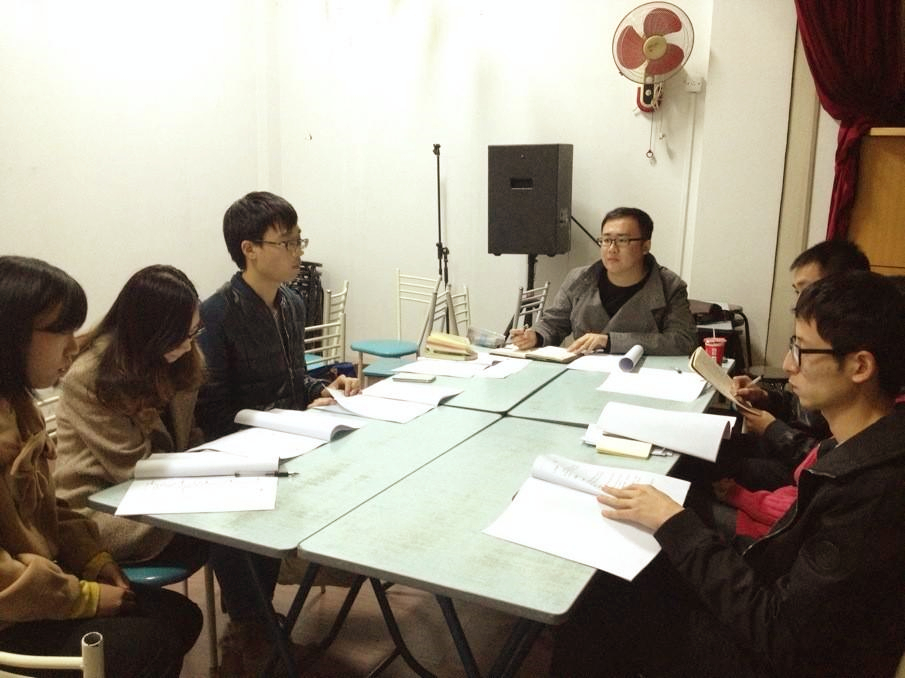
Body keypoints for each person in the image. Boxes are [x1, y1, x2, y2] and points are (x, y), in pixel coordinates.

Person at [551, 270, 905, 678]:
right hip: (768, 599)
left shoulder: (874, 492)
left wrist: (677, 524)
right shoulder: (854, 445)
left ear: (860, 366)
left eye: (802, 350)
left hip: (765, 655)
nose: (788, 364)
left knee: (601, 602)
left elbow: (781, 635)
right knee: (631, 563)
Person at [0, 256, 201, 678]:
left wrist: (94, 559)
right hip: (13, 617)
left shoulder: (19, 408)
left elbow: (50, 508)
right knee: (151, 643)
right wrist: (85, 598)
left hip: (44, 585)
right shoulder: (88, 378)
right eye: (62, 332)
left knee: (181, 617)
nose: (74, 347)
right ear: (11, 334)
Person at [195, 190, 360, 673]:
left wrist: (325, 387)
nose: (297, 252)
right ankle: (249, 625)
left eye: (298, 240)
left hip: (292, 440)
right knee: (245, 514)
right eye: (286, 242)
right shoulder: (216, 315)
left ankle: (260, 617)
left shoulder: (290, 302)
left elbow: (293, 377)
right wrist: (282, 418)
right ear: (249, 249)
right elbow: (214, 412)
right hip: (240, 454)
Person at [53, 265, 208, 569]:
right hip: (104, 509)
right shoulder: (91, 377)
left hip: (164, 493)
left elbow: (190, 437)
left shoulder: (180, 357)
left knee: (241, 520)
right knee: (227, 526)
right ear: (148, 331)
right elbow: (131, 468)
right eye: (178, 335)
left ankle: (253, 601)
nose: (188, 344)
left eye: (193, 332)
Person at [509, 207, 697, 355]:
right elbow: (554, 323)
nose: (612, 249)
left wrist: (610, 341)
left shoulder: (669, 285)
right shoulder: (579, 278)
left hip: (641, 375)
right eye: (606, 240)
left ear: (645, 246)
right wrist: (536, 335)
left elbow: (682, 341)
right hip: (582, 373)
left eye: (622, 240)